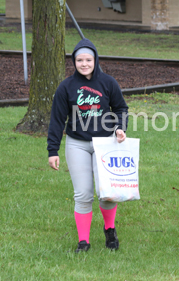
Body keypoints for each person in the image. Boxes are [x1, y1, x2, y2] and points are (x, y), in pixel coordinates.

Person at [47, 38, 128, 253]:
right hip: (78, 144)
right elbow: (57, 119)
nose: (84, 64)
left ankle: (109, 229)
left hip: (105, 143)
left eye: (88, 59)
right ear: (74, 61)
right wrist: (52, 150)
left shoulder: (108, 83)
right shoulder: (66, 87)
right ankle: (84, 241)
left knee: (107, 193)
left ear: (95, 60)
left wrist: (120, 128)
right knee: (82, 194)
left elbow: (121, 108)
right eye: (79, 60)